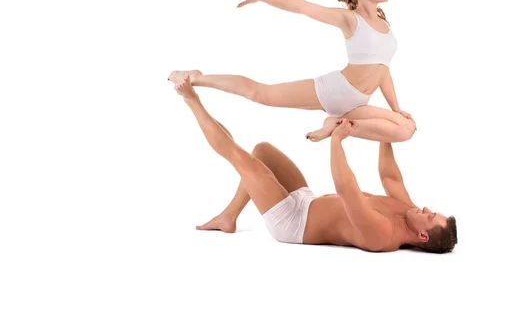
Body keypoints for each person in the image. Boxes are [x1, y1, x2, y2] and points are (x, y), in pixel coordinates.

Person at [174, 75, 457, 253]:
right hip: (308, 202)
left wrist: (337, 140)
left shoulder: (383, 236)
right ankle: (229, 217)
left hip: (293, 223)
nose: (427, 209)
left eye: (431, 217)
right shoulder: (409, 211)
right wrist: (389, 133)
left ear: (422, 236)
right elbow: (390, 178)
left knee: (237, 155)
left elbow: (347, 190)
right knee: (261, 151)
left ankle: (191, 100)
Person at [168, 0, 417, 144]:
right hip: (334, 90)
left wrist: (396, 108)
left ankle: (336, 125)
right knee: (261, 94)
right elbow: (301, 6)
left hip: (358, 104)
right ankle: (197, 77)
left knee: (406, 128)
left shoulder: (385, 24)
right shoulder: (349, 19)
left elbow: (383, 72)